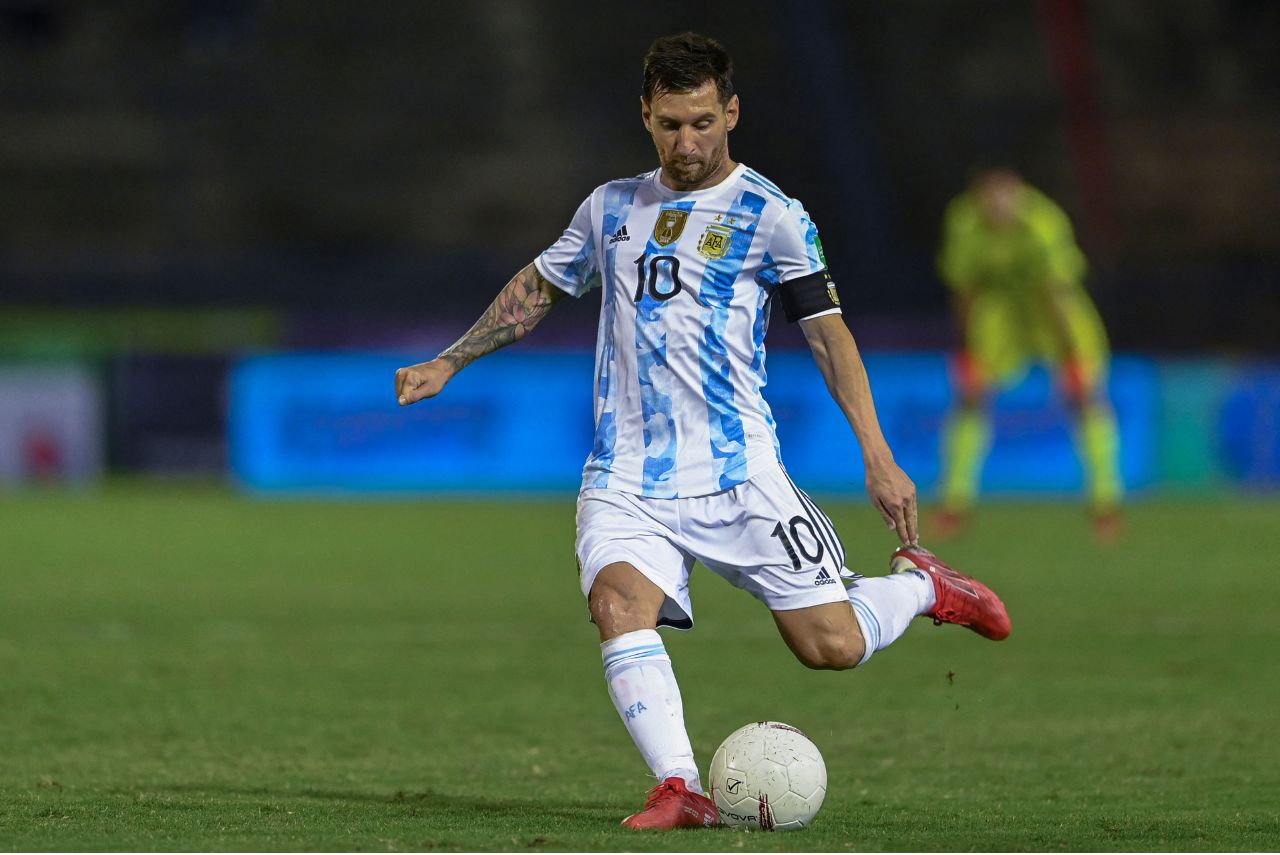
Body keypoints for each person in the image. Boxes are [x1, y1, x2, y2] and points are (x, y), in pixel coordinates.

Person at [395, 33, 1011, 830]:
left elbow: (829, 335)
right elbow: (540, 285)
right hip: (626, 474)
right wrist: (451, 361)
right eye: (670, 126)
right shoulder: (610, 207)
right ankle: (680, 785)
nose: (687, 144)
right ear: (645, 116)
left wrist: (879, 455)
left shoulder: (772, 215)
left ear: (731, 112)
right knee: (618, 602)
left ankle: (925, 585)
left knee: (829, 645)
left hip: (739, 475)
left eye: (702, 123)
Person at [934, 168, 1123, 540]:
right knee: (971, 395)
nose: (1000, 207)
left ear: (1021, 194)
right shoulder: (964, 222)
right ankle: (956, 502)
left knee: (1086, 394)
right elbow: (965, 291)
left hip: (1052, 312)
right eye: (991, 198)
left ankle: (1105, 502)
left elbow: (1057, 295)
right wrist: (966, 353)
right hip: (999, 312)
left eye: (1008, 197)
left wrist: (1070, 358)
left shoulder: (1045, 224)